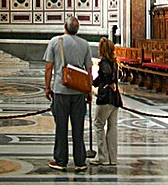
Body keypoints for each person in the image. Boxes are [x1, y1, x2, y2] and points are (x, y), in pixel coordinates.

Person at [44, 15, 92, 172]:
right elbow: (89, 70)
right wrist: (88, 90)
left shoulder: (55, 42)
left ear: (65, 26)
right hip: (79, 91)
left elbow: (49, 68)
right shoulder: (85, 44)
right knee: (78, 127)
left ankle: (61, 160)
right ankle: (80, 161)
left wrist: (47, 87)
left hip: (60, 90)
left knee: (61, 127)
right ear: (77, 29)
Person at [90, 37, 120, 167]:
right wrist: (92, 82)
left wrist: (107, 84)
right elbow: (100, 78)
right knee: (112, 126)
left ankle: (102, 156)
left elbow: (106, 76)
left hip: (106, 98)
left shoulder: (104, 63)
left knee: (98, 124)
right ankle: (112, 158)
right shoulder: (114, 62)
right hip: (115, 98)